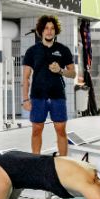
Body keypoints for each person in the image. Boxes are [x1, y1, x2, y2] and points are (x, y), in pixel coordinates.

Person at [22, 15, 76, 155]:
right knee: (37, 129)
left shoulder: (63, 50)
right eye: (46, 28)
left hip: (57, 96)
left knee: (60, 130)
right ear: (41, 31)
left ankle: (64, 161)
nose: (49, 31)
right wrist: (25, 99)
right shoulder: (32, 51)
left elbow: (73, 74)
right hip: (38, 96)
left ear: (55, 31)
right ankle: (35, 161)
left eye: (52, 28)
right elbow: (26, 77)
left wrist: (60, 70)